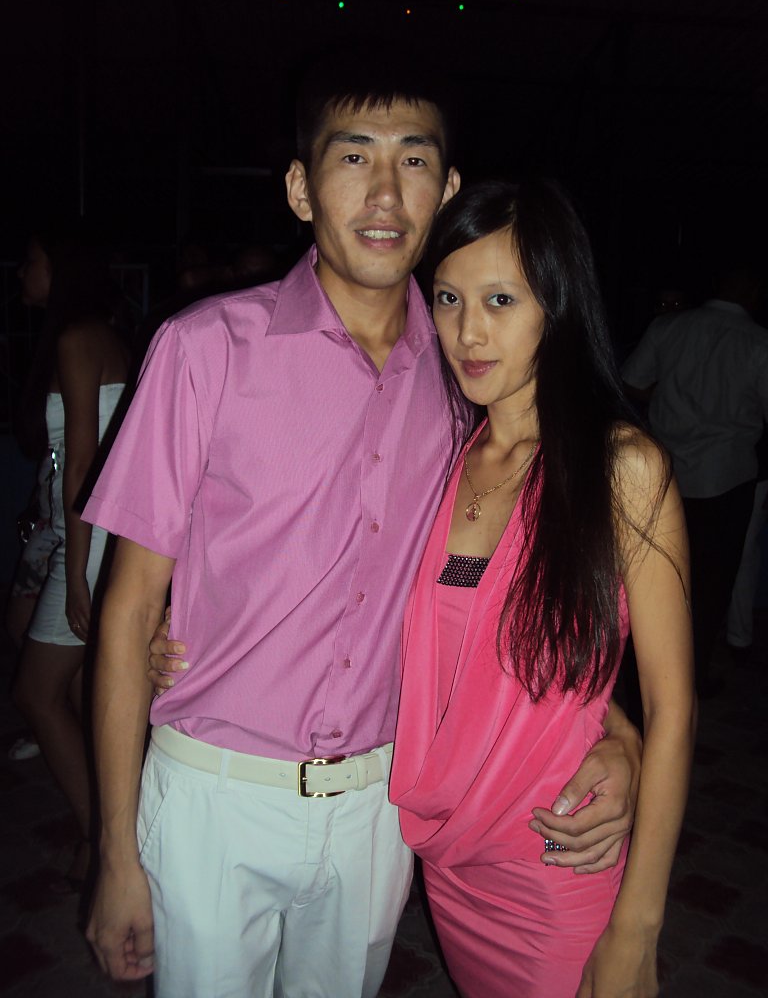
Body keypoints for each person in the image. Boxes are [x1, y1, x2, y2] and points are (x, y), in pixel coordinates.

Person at [83, 61, 640, 998]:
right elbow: (127, 610)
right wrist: (113, 852)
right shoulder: (204, 349)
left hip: (380, 805)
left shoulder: (467, 380)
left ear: (446, 188)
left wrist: (616, 729)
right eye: (353, 158)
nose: (385, 192)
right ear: (302, 188)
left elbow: (510, 597)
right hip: (216, 794)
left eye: (413, 160)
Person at [389, 180, 696, 998]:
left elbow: (673, 708)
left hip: (557, 859)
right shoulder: (445, 456)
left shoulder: (622, 469)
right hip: (449, 861)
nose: (468, 331)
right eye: (448, 298)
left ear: (556, 306)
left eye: (500, 299)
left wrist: (637, 930)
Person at [10, 230, 129, 886]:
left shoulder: (78, 339)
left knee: (35, 692)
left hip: (91, 539)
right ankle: (114, 823)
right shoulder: (102, 336)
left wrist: (79, 574)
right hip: (90, 534)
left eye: (30, 260)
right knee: (82, 691)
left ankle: (101, 838)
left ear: (60, 268)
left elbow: (83, 464)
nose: (21, 272)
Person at [622, 265, 768, 695]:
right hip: (725, 476)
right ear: (751, 288)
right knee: (710, 586)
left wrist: (670, 395)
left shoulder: (671, 326)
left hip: (666, 473)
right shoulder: (758, 342)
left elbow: (630, 381)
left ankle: (641, 682)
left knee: (651, 581)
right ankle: (689, 681)